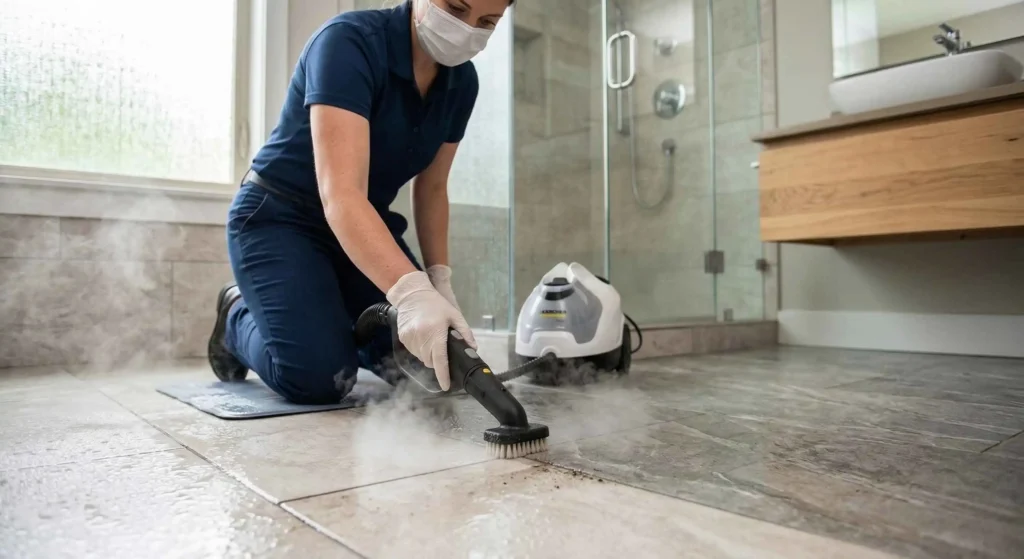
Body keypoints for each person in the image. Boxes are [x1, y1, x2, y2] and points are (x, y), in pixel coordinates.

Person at [207, 0, 514, 404]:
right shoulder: (347, 44)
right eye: (455, 8)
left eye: (487, 22)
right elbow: (341, 194)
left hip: (364, 227)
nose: (466, 28)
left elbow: (433, 187)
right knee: (319, 378)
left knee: (427, 370)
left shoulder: (462, 83)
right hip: (280, 218)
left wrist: (439, 281)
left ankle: (326, 322)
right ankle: (236, 315)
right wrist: (412, 294)